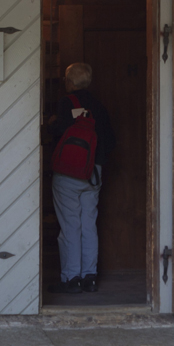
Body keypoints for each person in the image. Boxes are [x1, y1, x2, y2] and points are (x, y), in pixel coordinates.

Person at [49, 62, 116, 294]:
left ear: (69, 82)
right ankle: (90, 277)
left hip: (68, 173)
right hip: (93, 174)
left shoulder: (66, 103)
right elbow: (110, 141)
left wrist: (51, 124)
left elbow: (59, 131)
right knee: (89, 224)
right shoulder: (99, 106)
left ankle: (71, 278)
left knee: (70, 225)